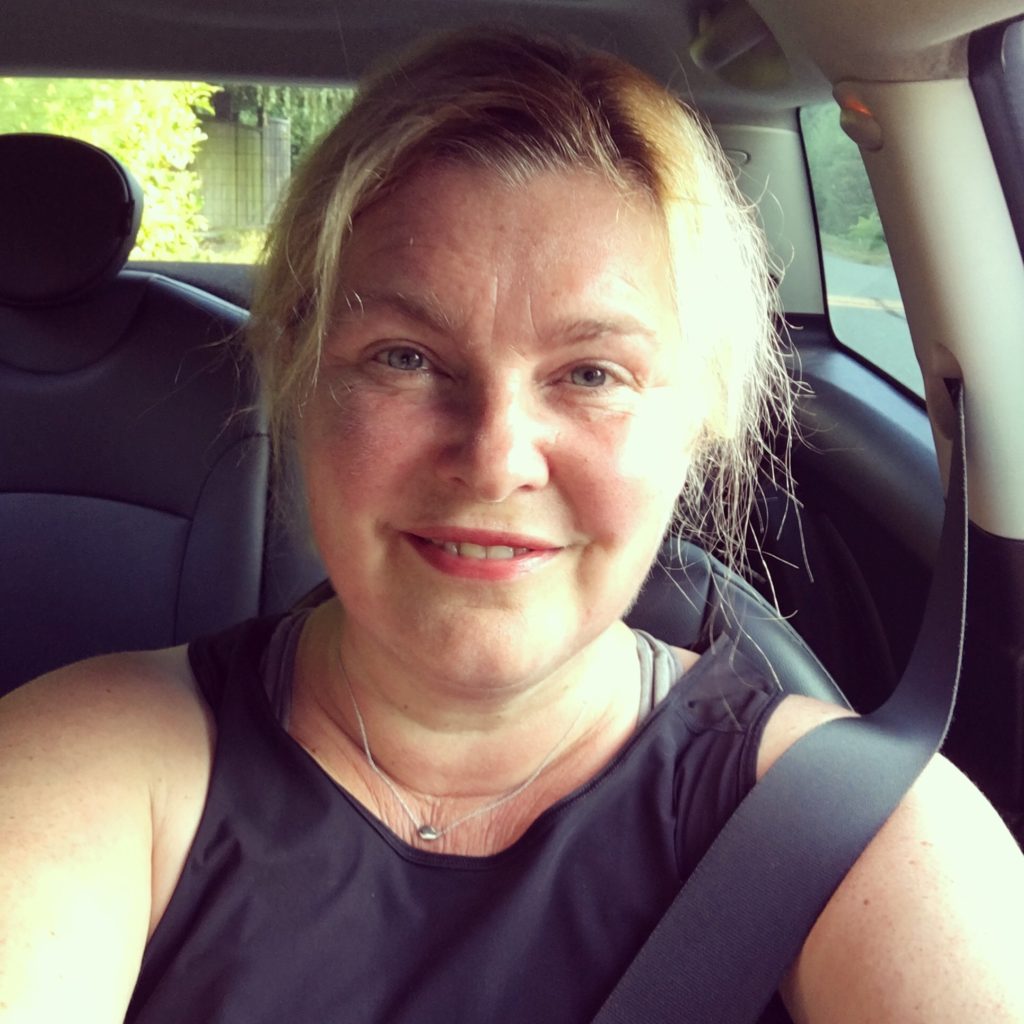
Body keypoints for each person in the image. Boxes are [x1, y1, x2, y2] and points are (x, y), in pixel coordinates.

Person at [2, 28, 1022, 1024]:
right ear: (300, 375)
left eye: (590, 374)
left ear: (693, 419)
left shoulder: (875, 837)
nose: (493, 457)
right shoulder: (82, 763)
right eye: (405, 356)